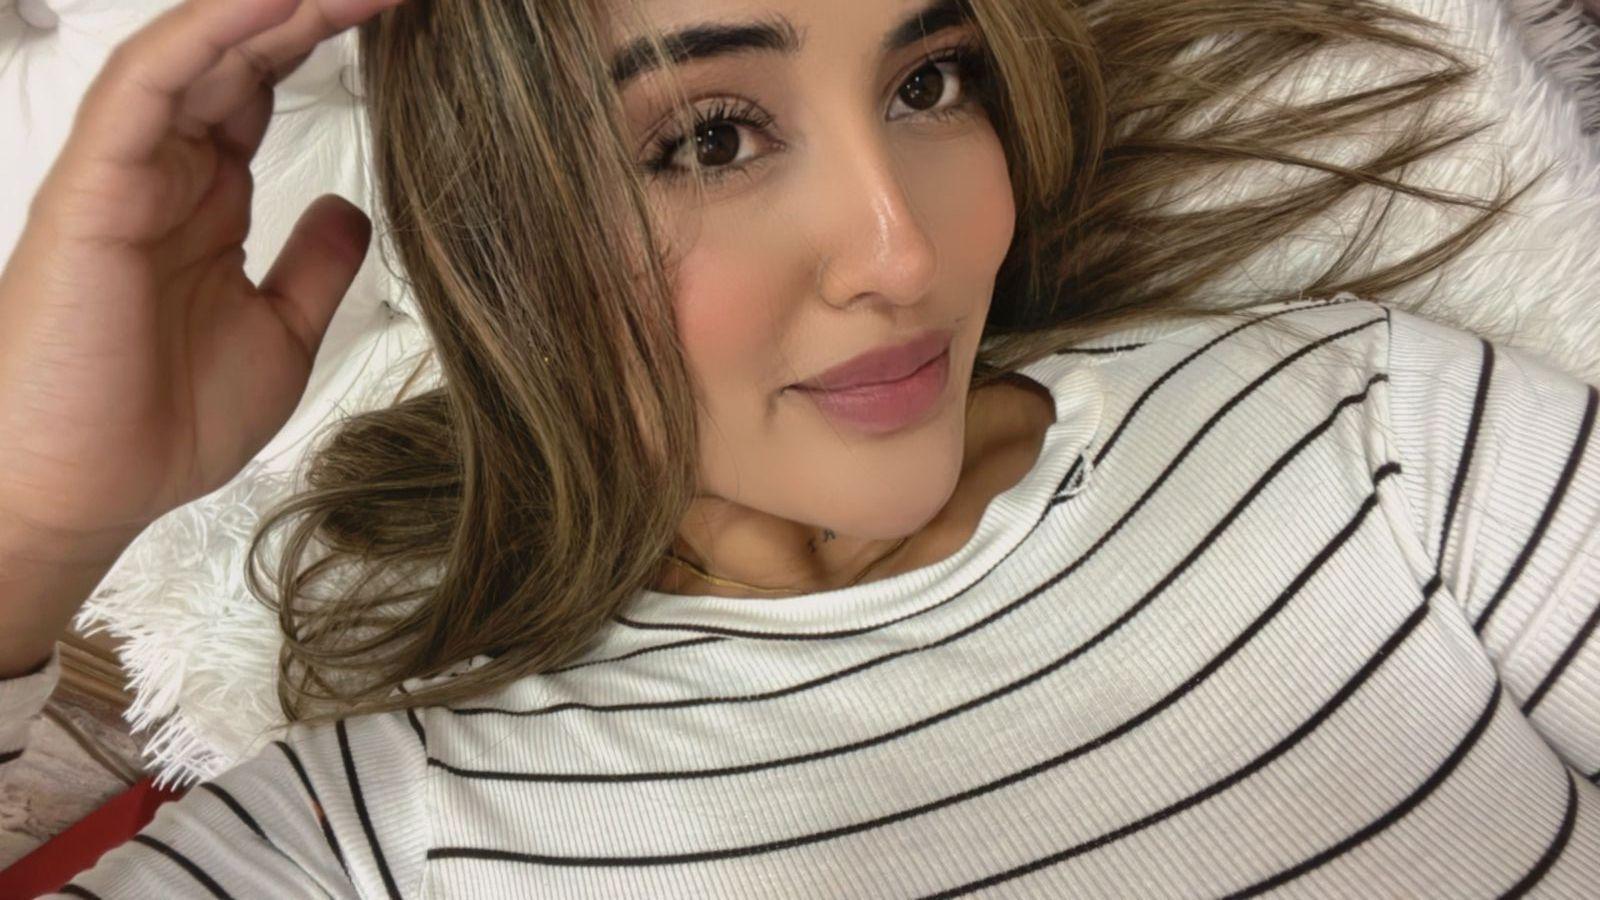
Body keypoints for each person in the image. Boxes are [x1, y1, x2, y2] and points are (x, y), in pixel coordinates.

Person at [0, 0, 1596, 895]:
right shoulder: (386, 836)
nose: (903, 250)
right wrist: (28, 528)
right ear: (496, 239)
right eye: (711, 136)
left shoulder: (1360, 420)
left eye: (929, 81)